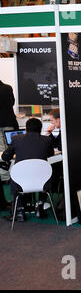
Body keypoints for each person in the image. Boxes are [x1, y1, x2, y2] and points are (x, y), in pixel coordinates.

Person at [1, 118, 54, 221]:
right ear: (40, 129)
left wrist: (17, 153)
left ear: (26, 129)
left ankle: (20, 212)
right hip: (41, 180)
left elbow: (5, 157)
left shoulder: (16, 139)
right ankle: (40, 207)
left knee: (15, 177)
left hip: (22, 180)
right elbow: (50, 153)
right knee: (46, 175)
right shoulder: (47, 140)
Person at [0, 80, 19, 211]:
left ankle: (4, 177)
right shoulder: (7, 88)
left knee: (1, 151)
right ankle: (12, 175)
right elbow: (11, 103)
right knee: (11, 149)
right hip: (9, 122)